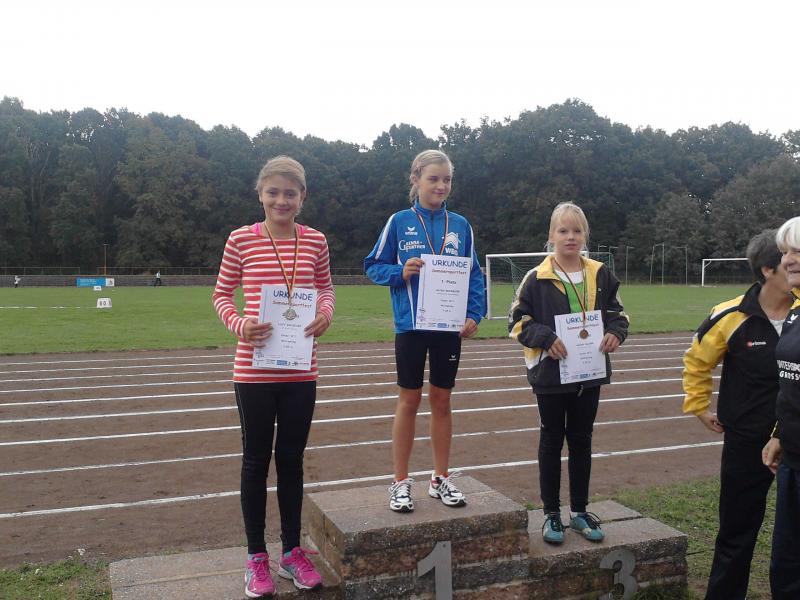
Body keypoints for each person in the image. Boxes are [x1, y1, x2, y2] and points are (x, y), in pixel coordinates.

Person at [213, 156, 335, 598]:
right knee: (254, 461)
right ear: (260, 194)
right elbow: (222, 294)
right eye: (273, 192)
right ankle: (255, 557)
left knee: (291, 461)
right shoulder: (241, 239)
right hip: (254, 370)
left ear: (302, 197)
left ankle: (291, 552)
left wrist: (325, 314)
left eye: (290, 193)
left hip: (301, 369)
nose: (281, 200)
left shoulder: (315, 240)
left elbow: (325, 288)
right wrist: (240, 324)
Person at [364, 149, 485, 513]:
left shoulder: (461, 225)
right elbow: (373, 265)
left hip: (448, 327)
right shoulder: (399, 221)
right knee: (410, 399)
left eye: (447, 180)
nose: (441, 186)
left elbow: (473, 274)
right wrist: (398, 272)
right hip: (411, 327)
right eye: (433, 179)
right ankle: (400, 481)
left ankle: (440, 477)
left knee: (442, 400)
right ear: (415, 179)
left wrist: (474, 314)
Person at [508, 202, 628, 544]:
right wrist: (545, 338)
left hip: (589, 372)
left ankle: (579, 511)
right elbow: (517, 322)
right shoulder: (536, 278)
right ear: (551, 236)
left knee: (581, 440)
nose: (570, 237)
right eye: (563, 231)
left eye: (577, 231)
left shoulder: (601, 274)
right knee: (551, 439)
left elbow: (619, 314)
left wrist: (615, 332)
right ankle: (551, 514)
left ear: (585, 235)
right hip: (550, 374)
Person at [683, 229, 791, 600]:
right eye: (790, 262)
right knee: (736, 531)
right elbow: (697, 361)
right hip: (747, 439)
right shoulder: (729, 315)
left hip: (797, 438)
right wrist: (698, 405)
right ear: (768, 270)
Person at [762, 216, 800, 600]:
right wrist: (779, 434)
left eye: (798, 251)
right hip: (792, 460)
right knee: (786, 565)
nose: (788, 260)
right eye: (786, 251)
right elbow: (791, 388)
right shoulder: (795, 314)